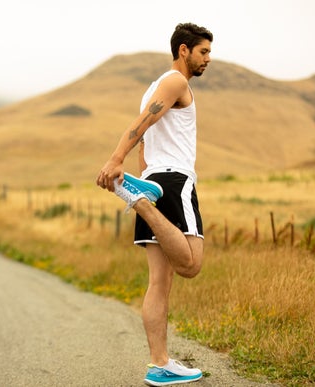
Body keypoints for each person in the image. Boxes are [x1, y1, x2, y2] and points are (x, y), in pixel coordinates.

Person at [96, 22, 213, 386]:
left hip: (153, 182)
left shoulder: (154, 87)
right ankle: (141, 203)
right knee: (191, 266)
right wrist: (117, 159)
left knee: (158, 282)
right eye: (203, 52)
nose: (208, 59)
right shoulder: (176, 82)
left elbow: (147, 138)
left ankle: (159, 364)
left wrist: (142, 176)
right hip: (173, 183)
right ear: (184, 50)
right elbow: (142, 122)